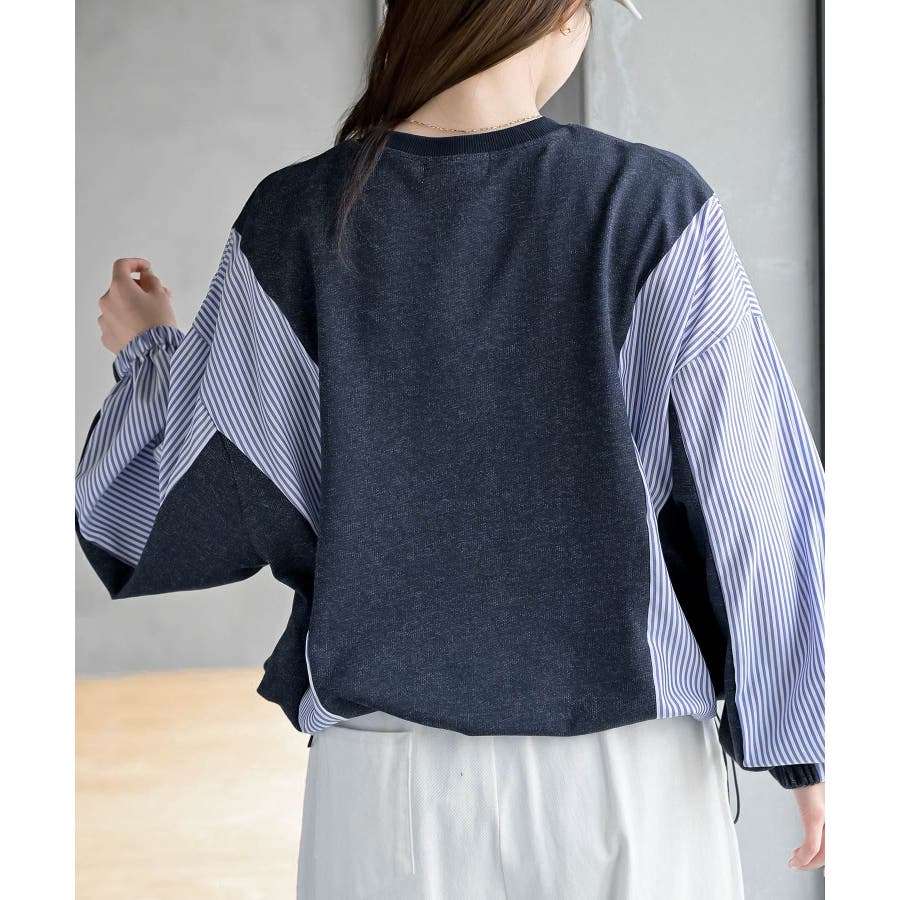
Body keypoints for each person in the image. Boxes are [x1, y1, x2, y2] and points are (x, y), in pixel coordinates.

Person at [75, 1, 825, 896]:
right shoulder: (651, 205)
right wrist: (805, 739)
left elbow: (160, 513)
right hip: (630, 778)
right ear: (566, 16)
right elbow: (754, 497)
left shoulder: (296, 218)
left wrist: (152, 355)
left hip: (385, 787)